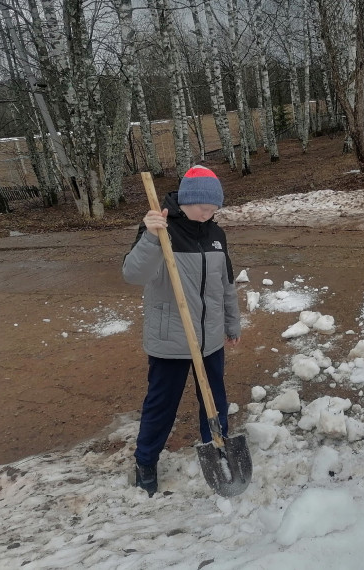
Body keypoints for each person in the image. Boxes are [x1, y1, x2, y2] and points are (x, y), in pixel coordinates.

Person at [122, 165, 241, 495]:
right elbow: (132, 274)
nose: (210, 213)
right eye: (205, 207)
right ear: (187, 201)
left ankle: (218, 448)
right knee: (162, 404)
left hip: (211, 338)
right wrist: (149, 236)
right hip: (170, 340)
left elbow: (225, 285)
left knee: (214, 400)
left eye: (214, 208)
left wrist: (232, 323)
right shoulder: (160, 229)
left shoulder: (216, 235)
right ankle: (146, 460)